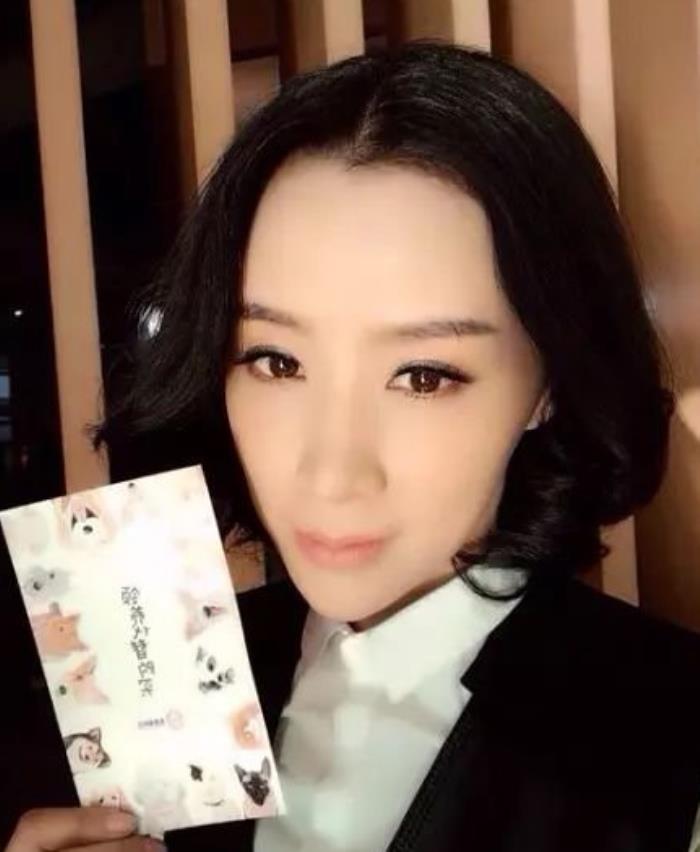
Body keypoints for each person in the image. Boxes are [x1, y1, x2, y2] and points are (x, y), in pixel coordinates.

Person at [6, 40, 700, 852]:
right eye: (276, 361)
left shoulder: (669, 745)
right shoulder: (123, 693)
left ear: (547, 383)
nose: (332, 474)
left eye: (424, 376)